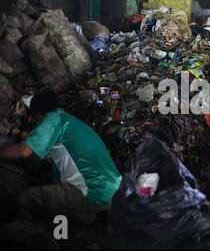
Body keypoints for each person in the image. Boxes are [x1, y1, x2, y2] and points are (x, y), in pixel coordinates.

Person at [0, 88, 122, 222]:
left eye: (35, 119)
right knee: (50, 186)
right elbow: (36, 155)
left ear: (39, 114)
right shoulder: (74, 123)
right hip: (114, 193)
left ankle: (80, 217)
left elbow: (24, 151)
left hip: (94, 193)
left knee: (25, 199)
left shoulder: (52, 119)